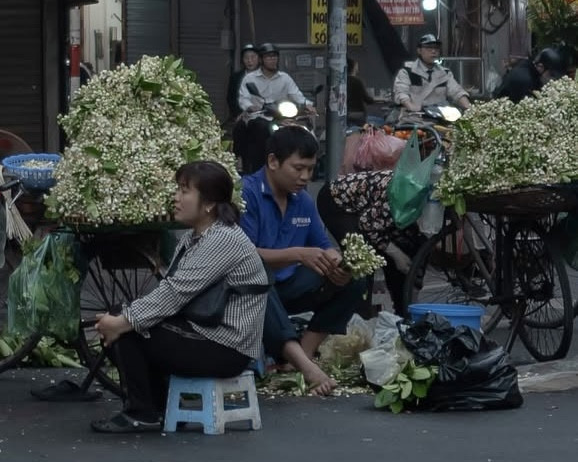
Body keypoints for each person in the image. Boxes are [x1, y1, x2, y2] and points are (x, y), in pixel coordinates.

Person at [89, 161, 268, 434]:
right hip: (204, 333)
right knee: (123, 319)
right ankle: (157, 407)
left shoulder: (223, 239)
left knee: (128, 331)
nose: (176, 197)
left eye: (184, 191)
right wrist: (123, 316)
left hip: (227, 347)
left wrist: (123, 322)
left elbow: (174, 294)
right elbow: (170, 290)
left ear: (208, 204)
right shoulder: (194, 237)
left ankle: (142, 412)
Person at [241, 127, 369, 396]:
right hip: (250, 293)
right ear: (273, 161)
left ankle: (302, 354)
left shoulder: (303, 201)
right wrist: (299, 254)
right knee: (257, 274)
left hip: (289, 287)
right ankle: (303, 363)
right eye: (298, 168)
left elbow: (322, 246)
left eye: (311, 170)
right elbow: (242, 255)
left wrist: (337, 262)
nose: (305, 177)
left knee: (357, 276)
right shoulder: (247, 194)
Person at [317, 156, 423, 313]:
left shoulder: (418, 204)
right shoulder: (400, 198)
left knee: (394, 257)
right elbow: (368, 224)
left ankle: (402, 312)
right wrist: (396, 253)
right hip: (336, 201)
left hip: (368, 208)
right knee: (363, 258)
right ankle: (354, 313)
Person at [234, 43, 315, 174]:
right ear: (261, 60)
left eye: (274, 56)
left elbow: (296, 94)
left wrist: (307, 104)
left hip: (280, 115)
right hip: (258, 116)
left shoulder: (285, 78)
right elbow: (243, 98)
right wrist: (250, 106)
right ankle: (256, 164)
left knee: (300, 129)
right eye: (268, 57)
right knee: (259, 127)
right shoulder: (250, 78)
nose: (272, 59)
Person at [391, 33, 471, 125]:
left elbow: (456, 91)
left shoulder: (445, 73)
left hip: (440, 120)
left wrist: (471, 110)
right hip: (413, 120)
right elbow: (401, 93)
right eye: (429, 48)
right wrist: (411, 106)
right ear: (419, 51)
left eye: (436, 48)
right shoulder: (407, 71)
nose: (433, 51)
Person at [493, 47, 568, 103]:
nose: (552, 80)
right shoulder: (525, 80)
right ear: (541, 67)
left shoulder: (529, 69)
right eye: (551, 74)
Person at [226, 43, 261, 122]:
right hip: (242, 117)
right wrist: (238, 114)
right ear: (242, 60)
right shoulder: (236, 77)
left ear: (259, 59)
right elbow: (231, 98)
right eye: (246, 58)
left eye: (253, 57)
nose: (250, 61)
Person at [346, 58, 371, 125]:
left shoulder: (343, 82)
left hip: (346, 113)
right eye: (357, 66)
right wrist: (373, 100)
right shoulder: (357, 81)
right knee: (360, 132)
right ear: (354, 67)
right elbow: (366, 98)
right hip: (358, 112)